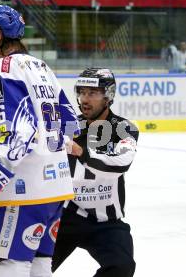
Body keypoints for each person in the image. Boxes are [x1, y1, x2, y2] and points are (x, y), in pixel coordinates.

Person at [0, 5, 80, 277]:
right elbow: (71, 121)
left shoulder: (2, 69)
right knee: (40, 263)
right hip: (56, 185)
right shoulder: (41, 67)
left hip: (24, 187)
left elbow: (19, 130)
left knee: (11, 264)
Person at [51, 67, 138, 277]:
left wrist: (82, 152)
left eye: (92, 93)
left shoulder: (124, 128)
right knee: (32, 267)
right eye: (81, 92)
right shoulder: (68, 126)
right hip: (67, 216)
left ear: (108, 96)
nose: (84, 99)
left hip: (106, 222)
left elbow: (121, 162)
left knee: (121, 267)